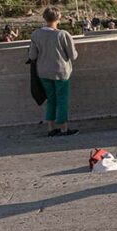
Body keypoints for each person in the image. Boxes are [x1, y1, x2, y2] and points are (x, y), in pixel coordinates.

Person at [28, 7, 79, 137]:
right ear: (58, 18)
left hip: (43, 73)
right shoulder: (62, 34)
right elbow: (73, 56)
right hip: (60, 72)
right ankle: (64, 128)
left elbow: (32, 56)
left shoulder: (36, 35)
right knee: (62, 100)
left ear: (44, 18)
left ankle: (51, 128)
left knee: (51, 100)